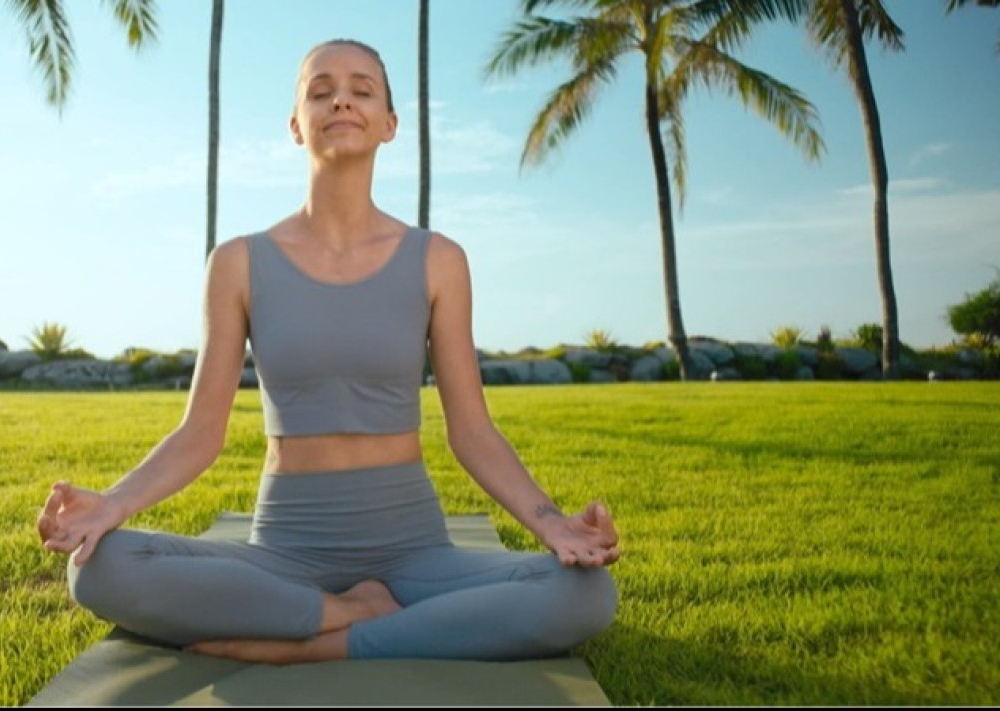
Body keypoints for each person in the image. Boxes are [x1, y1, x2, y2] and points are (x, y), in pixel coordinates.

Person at [37, 38, 620, 665]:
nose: (341, 98)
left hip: (414, 549)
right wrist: (113, 504)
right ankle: (346, 613)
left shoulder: (439, 260)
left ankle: (319, 644)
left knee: (582, 593)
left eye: (362, 89)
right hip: (284, 552)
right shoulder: (237, 262)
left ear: (389, 124)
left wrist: (551, 523)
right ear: (296, 125)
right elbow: (199, 433)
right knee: (99, 569)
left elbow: (472, 431)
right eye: (320, 91)